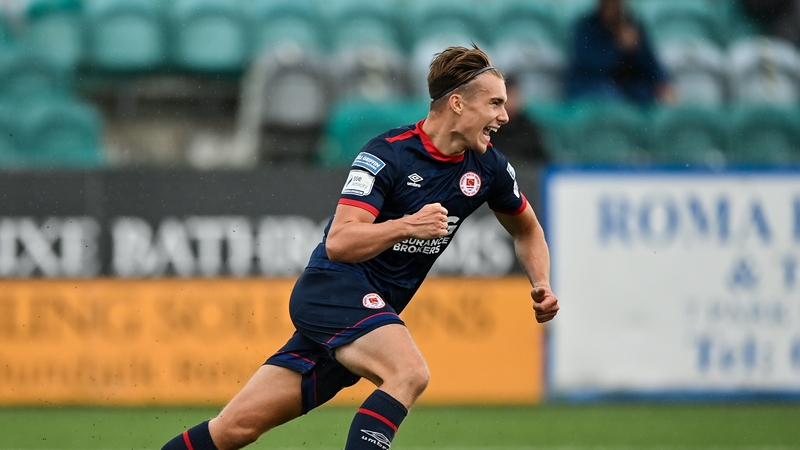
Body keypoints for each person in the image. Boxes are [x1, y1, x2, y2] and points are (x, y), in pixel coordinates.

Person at [160, 44, 559, 450]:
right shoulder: (388, 154)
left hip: (365, 315)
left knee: (235, 429)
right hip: (333, 289)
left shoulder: (488, 167)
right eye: (494, 103)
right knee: (408, 372)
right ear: (457, 103)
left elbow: (526, 230)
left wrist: (540, 281)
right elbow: (340, 242)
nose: (504, 116)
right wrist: (406, 226)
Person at [565, 0, 674, 105]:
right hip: (594, 85)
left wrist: (663, 81)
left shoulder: (632, 26)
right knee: (607, 95)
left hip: (626, 87)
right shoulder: (586, 28)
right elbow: (591, 64)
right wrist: (617, 46)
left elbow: (649, 60)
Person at [489, 75, 549, 165]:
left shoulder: (529, 129)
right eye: (507, 95)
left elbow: (541, 160)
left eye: (514, 95)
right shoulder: (489, 129)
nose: (510, 101)